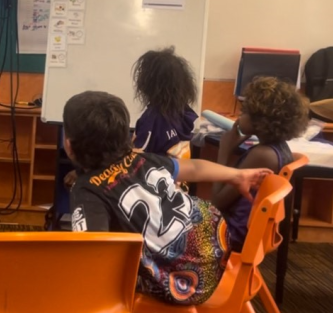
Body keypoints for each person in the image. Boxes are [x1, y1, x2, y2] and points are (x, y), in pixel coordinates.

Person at [64, 91, 271, 305]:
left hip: (185, 285)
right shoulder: (142, 159)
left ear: (69, 146)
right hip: (219, 247)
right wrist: (237, 176)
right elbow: (194, 168)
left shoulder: (87, 190)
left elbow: (92, 254)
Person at [64, 47, 199, 187]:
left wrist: (81, 172)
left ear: (149, 83)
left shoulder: (152, 120)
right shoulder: (183, 113)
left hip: (154, 190)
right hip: (179, 187)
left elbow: (131, 158)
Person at [213, 77, 309, 252]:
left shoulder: (263, 155)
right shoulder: (277, 149)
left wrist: (224, 151)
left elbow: (218, 202)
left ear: (260, 120)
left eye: (244, 111)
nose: (240, 116)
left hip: (232, 233)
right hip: (246, 230)